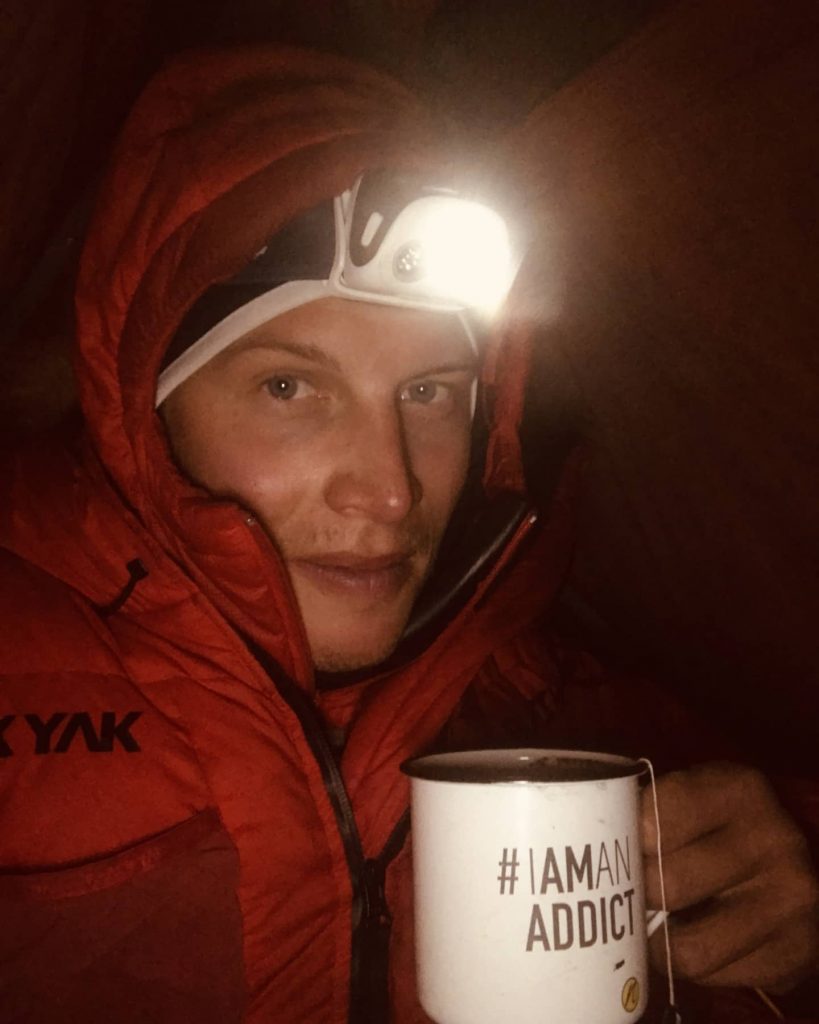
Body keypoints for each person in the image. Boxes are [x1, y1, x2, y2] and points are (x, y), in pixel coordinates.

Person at [0, 44, 817, 1024]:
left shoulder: (577, 719)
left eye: (430, 391)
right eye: (290, 386)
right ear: (143, 402)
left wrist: (792, 884)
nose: (390, 490)